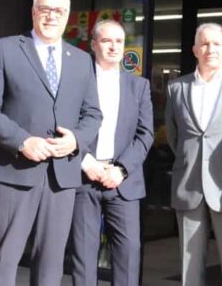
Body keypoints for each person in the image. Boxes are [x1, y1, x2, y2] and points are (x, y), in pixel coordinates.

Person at [0, 0, 102, 286]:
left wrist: (76, 140)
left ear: (67, 16)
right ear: (33, 12)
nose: (51, 16)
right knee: (3, 263)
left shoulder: (82, 61)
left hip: (61, 177)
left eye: (58, 11)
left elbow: (93, 114)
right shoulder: (5, 49)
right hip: (13, 172)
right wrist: (22, 141)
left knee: (51, 267)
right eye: (45, 9)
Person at [165, 22, 222, 286]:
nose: (210, 49)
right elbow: (173, 137)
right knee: (189, 265)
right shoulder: (176, 88)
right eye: (204, 43)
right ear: (194, 49)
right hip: (188, 184)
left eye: (216, 44)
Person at [70, 19, 154, 286]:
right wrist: (86, 162)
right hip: (84, 178)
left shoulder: (138, 86)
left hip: (123, 181)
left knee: (128, 252)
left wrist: (121, 169)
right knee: (83, 254)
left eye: (119, 41)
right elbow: (66, 126)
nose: (114, 46)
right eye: (107, 40)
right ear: (94, 44)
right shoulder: (77, 82)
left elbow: (145, 134)